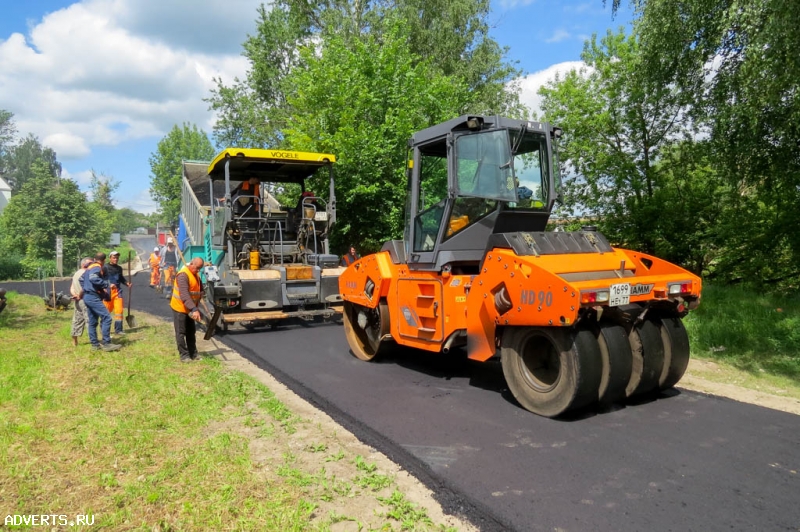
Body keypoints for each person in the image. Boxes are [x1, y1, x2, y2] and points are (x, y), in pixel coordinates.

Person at [81, 252, 121, 352]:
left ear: (95, 258)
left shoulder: (89, 267)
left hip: (87, 296)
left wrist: (87, 288)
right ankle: (107, 343)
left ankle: (95, 345)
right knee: (107, 317)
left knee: (93, 321)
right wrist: (106, 285)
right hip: (93, 297)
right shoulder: (97, 267)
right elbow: (93, 278)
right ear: (103, 261)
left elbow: (81, 279)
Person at [170, 257, 204, 363]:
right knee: (181, 332)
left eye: (200, 268)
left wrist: (202, 294)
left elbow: (200, 288)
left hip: (190, 308)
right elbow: (184, 295)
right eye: (197, 268)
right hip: (180, 307)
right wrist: (194, 309)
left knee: (191, 331)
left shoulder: (196, 274)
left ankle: (193, 353)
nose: (198, 270)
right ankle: (184, 356)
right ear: (192, 264)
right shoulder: (183, 275)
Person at [103, 250, 131, 335]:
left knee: (119, 311)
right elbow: (100, 279)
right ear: (110, 258)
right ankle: (105, 329)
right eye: (114, 257)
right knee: (106, 311)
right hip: (107, 291)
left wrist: (126, 283)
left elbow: (121, 278)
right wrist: (108, 284)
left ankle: (118, 330)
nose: (116, 259)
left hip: (118, 291)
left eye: (117, 258)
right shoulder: (105, 267)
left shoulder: (119, 268)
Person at [69, 257, 92, 347]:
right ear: (83, 264)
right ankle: (94, 342)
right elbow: (86, 287)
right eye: (89, 263)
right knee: (89, 320)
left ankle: (74, 341)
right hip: (85, 299)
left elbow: (72, 287)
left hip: (77, 300)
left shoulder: (76, 273)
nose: (91, 264)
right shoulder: (86, 273)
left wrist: (75, 295)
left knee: (77, 320)